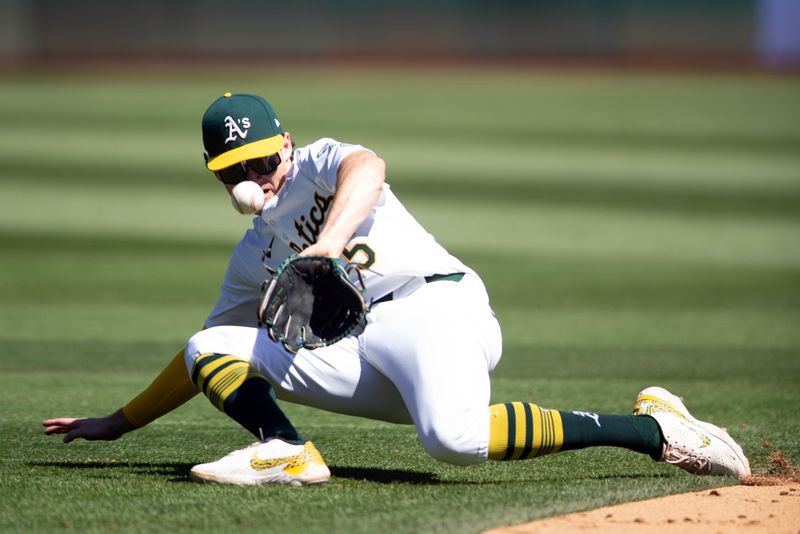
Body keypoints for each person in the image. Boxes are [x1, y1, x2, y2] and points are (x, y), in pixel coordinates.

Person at [43, 93, 751, 485]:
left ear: (284, 143)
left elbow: (370, 167)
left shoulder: (321, 163)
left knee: (452, 441)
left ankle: (656, 429)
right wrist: (118, 421)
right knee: (211, 343)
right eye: (234, 171)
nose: (254, 178)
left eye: (260, 158)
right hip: (362, 353)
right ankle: (286, 451)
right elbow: (204, 358)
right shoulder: (253, 253)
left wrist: (323, 246)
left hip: (435, 308)